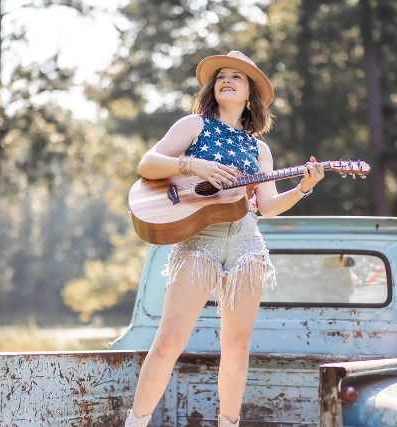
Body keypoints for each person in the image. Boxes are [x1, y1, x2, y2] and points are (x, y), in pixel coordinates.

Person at [125, 51, 325, 427]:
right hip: (200, 239)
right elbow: (147, 164)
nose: (227, 80)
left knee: (236, 347)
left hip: (247, 244)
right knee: (168, 341)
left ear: (249, 94)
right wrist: (192, 164)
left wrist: (302, 188)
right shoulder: (194, 125)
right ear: (212, 89)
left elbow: (268, 206)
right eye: (221, 76)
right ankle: (135, 422)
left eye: (237, 76)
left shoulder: (259, 149)